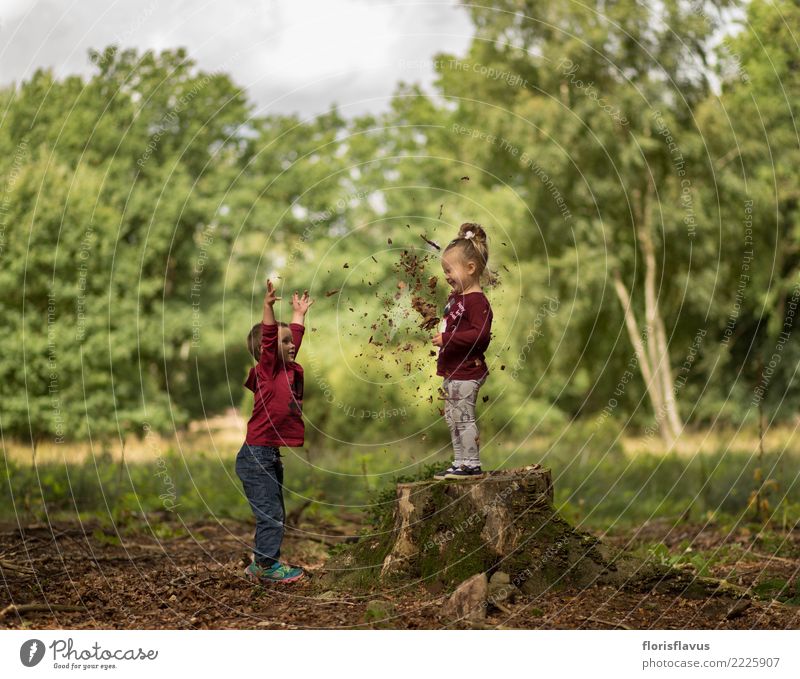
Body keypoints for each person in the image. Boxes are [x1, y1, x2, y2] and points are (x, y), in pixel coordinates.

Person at [236, 279, 313, 583]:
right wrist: (267, 307)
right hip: (257, 456)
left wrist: (299, 315)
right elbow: (271, 338)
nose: (292, 344)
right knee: (271, 514)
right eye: (284, 343)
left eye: (290, 341)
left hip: (267, 455)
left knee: (274, 510)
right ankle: (267, 568)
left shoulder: (288, 369)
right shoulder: (267, 372)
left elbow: (290, 336)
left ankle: (262, 563)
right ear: (267, 350)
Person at [432, 223, 494, 480]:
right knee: (452, 417)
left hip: (468, 371)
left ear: (470, 268)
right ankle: (459, 461)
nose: (446, 275)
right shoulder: (457, 298)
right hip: (453, 370)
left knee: (464, 416)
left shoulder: (477, 301)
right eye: (444, 270)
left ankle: (471, 463)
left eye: (450, 269)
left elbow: (480, 335)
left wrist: (447, 338)